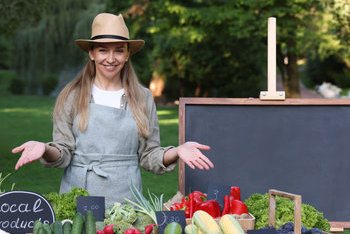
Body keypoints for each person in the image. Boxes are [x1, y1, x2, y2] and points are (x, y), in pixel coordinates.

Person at [12, 13, 214, 205]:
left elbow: (149, 155)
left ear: (127, 55)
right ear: (91, 53)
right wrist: (45, 149)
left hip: (126, 202)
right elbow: (63, 153)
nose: (111, 58)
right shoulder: (72, 95)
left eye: (118, 50)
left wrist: (177, 151)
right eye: (102, 50)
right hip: (79, 198)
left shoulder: (142, 97)